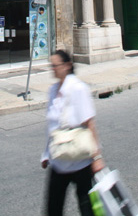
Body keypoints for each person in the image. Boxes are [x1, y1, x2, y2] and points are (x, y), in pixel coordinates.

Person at [41, 49, 105, 216]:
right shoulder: (53, 90)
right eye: (51, 66)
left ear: (67, 66)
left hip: (80, 160)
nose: (53, 69)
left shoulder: (78, 88)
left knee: (87, 207)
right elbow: (53, 127)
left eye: (56, 66)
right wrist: (46, 154)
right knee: (53, 208)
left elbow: (90, 123)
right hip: (59, 160)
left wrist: (97, 158)